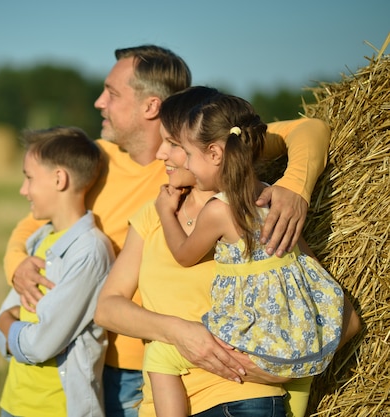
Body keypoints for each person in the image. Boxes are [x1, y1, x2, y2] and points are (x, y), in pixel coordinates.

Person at [4, 45, 332, 417]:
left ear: (211, 152)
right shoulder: (101, 165)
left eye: (112, 93)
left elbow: (309, 129)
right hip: (137, 371)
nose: (99, 102)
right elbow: (36, 222)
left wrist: (294, 188)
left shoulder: (246, 197)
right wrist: (17, 264)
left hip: (236, 391)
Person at [146, 87, 348, 417]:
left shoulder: (217, 211)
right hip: (300, 338)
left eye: (184, 151)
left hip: (253, 337)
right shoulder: (273, 198)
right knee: (298, 384)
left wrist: (166, 213)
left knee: (160, 355)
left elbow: (184, 255)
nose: (177, 158)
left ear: (213, 153)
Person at [0, 126, 116, 417]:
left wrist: (7, 325)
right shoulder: (40, 239)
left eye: (29, 178)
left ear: (59, 179)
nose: (24, 190)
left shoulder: (89, 252)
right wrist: (6, 324)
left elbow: (38, 343)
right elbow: (2, 319)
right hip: (13, 404)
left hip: (57, 409)